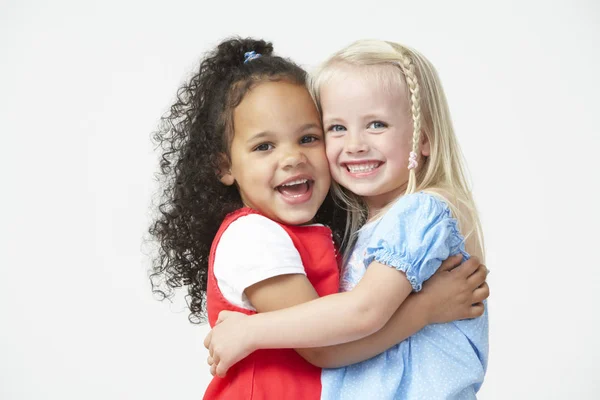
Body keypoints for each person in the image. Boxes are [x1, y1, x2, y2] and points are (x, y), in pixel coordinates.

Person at [148, 36, 488, 400]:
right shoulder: (254, 236)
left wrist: (252, 330)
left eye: (309, 137)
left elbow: (354, 321)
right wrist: (425, 309)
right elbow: (331, 342)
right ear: (225, 165)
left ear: (424, 138)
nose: (292, 157)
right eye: (338, 128)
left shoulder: (411, 214)